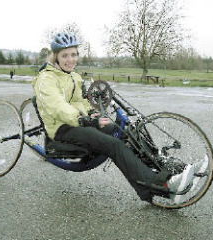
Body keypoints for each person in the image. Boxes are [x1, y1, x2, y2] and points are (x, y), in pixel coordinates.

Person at [32, 32, 200, 203]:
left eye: (74, 54)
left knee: (126, 131)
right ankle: (164, 185)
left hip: (79, 121)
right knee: (113, 144)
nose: (70, 60)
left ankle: (175, 170)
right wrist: (83, 119)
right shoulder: (46, 78)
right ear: (56, 57)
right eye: (65, 55)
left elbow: (79, 101)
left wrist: (91, 112)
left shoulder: (73, 76)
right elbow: (57, 106)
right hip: (62, 128)